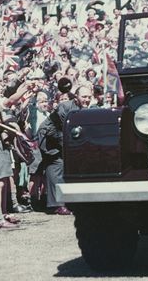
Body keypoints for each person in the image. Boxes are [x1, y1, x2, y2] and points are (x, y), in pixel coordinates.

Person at [37, 85, 93, 215]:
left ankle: (65, 201)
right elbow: (56, 129)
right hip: (49, 138)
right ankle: (56, 205)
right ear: (76, 97)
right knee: (56, 166)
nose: (87, 99)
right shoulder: (65, 107)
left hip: (61, 138)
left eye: (89, 97)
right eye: (84, 96)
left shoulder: (82, 108)